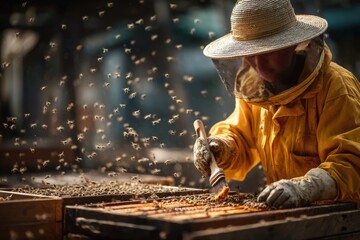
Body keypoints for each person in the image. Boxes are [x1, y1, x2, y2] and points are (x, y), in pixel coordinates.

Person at [193, 0, 360, 208]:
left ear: (291, 44)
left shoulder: (336, 87)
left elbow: (352, 164)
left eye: (267, 53)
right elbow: (241, 137)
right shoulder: (255, 88)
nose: (259, 65)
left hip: (342, 222)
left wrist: (306, 187)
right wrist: (220, 147)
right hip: (288, 218)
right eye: (250, 55)